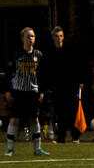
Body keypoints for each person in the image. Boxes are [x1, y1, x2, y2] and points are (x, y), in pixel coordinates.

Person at [4, 27, 49, 157]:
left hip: (32, 91)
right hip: (18, 90)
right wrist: (8, 90)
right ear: (22, 38)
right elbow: (9, 72)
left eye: (32, 36)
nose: (31, 39)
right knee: (14, 119)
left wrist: (41, 91)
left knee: (34, 119)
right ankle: (10, 149)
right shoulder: (16, 53)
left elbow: (42, 75)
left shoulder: (38, 55)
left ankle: (37, 148)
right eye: (28, 36)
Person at [48, 26, 87, 144]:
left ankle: (75, 137)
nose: (59, 38)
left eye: (60, 36)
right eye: (56, 36)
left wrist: (80, 81)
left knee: (73, 111)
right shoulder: (51, 52)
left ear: (63, 37)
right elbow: (48, 70)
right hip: (58, 87)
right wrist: (51, 84)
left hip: (71, 85)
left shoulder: (70, 50)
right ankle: (61, 137)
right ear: (53, 38)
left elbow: (78, 65)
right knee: (60, 112)